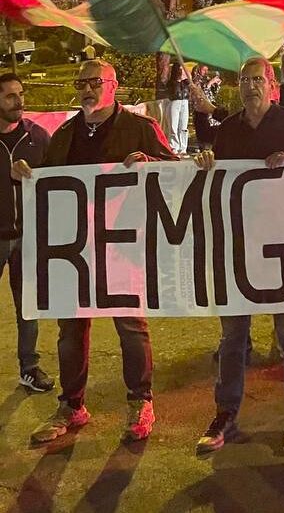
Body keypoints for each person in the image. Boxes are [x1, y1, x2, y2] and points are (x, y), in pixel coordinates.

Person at [14, 60, 177, 444]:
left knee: (130, 325)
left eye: (94, 82)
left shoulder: (140, 128)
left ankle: (140, 401)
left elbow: (174, 172)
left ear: (113, 85)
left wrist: (150, 163)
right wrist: (28, 174)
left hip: (123, 246)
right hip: (76, 249)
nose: (87, 88)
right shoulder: (67, 133)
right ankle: (72, 405)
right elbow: (49, 184)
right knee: (71, 328)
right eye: (82, 82)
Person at [193, 57, 284, 456]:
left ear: (271, 84)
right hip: (240, 244)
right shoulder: (227, 130)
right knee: (232, 338)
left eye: (257, 79)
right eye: (243, 80)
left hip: (283, 244)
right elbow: (217, 179)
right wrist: (206, 163)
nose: (250, 86)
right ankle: (225, 413)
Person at [0, 73, 54, 394]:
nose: (19, 100)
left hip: (28, 239)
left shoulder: (39, 137)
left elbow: (60, 177)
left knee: (28, 307)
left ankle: (29, 367)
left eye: (20, 94)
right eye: (9, 96)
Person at [167, 60, 191, 154]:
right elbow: (172, 93)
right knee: (174, 124)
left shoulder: (186, 83)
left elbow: (191, 83)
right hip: (175, 102)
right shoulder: (172, 82)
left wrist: (186, 76)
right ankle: (174, 146)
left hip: (184, 102)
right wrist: (178, 81)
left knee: (183, 126)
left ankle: (183, 147)